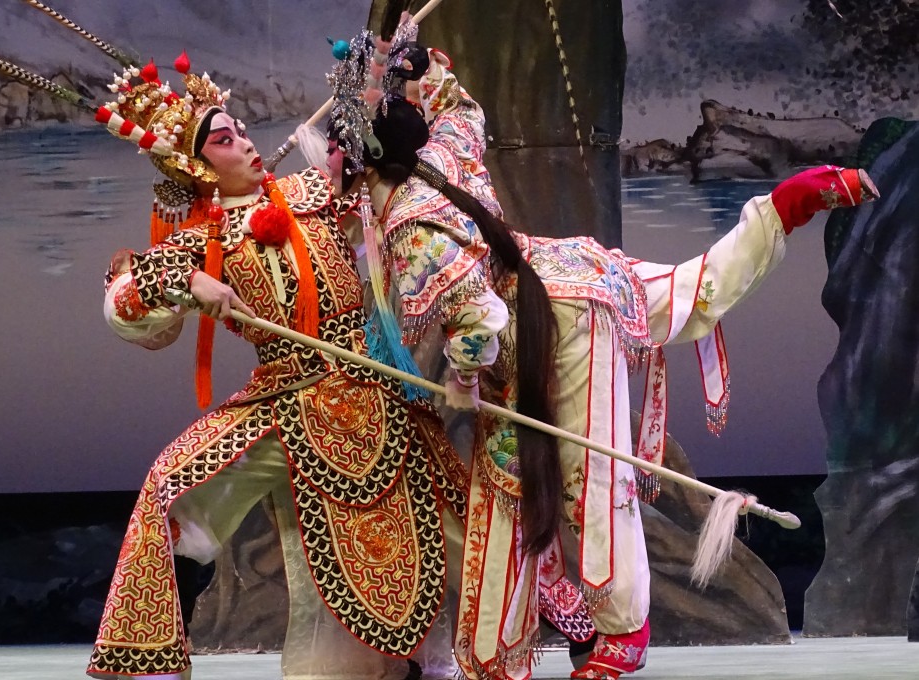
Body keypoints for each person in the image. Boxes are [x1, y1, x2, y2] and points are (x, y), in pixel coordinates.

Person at [325, 38, 877, 680]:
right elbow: (460, 106)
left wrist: (464, 377)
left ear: (359, 160)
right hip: (567, 277)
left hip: (554, 325)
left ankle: (610, 633)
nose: (330, 163)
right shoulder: (440, 155)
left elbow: (481, 321)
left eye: (335, 153)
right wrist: (422, 66)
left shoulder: (408, 225)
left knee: (583, 474)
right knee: (687, 294)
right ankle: (782, 207)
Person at [85, 54, 477, 680]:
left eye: (241, 130)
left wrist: (380, 94)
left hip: (369, 388)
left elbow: (384, 181)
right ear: (196, 165)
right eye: (223, 140)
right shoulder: (201, 240)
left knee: (468, 522)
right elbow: (124, 301)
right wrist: (190, 281)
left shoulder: (313, 191)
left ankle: (544, 625)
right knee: (166, 483)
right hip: (283, 395)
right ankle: (149, 663)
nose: (243, 141)